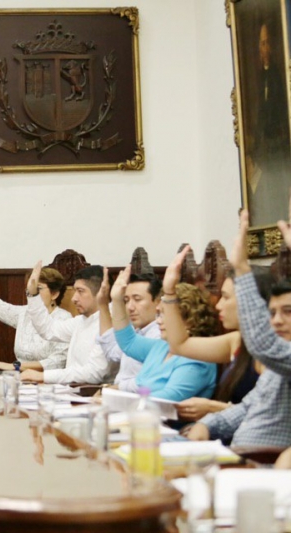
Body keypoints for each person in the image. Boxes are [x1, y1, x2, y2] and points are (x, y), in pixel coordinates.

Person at [186, 210, 291, 447]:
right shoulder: (277, 366)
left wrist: (242, 269)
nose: (275, 321)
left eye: (288, 312)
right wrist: (206, 425)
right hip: (241, 460)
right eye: (272, 313)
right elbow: (247, 408)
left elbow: (263, 346)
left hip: (266, 467)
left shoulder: (280, 354)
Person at [161, 248, 268, 422]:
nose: (218, 305)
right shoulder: (237, 340)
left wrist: (215, 408)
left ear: (250, 300)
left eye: (225, 297)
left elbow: (273, 412)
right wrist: (169, 291)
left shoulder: (277, 351)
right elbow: (179, 345)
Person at [99, 266, 218, 402]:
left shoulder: (198, 358)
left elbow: (165, 400)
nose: (158, 320)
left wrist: (112, 401)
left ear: (189, 320)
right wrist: (117, 300)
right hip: (140, 417)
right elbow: (127, 341)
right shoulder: (162, 347)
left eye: (164, 314)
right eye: (158, 314)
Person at [0, 235, 70, 372]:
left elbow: (57, 362)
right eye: (30, 288)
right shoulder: (24, 313)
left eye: (38, 288)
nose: (31, 293)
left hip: (47, 381)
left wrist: (15, 366)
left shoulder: (65, 319)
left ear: (54, 294)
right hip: (18, 378)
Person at [20, 263, 114, 385]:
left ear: (101, 293)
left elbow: (94, 373)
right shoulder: (82, 320)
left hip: (95, 394)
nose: (73, 298)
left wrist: (43, 376)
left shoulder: (113, 323)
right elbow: (48, 329)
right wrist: (33, 294)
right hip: (72, 391)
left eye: (80, 291)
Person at [245, 22, 291, 227]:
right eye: (260, 44)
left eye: (266, 43)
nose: (263, 48)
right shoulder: (262, 75)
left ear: (271, 46)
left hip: (277, 150)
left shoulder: (276, 76)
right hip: (265, 150)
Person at [97, 273, 162, 392]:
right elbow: (111, 351)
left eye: (137, 299)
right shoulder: (135, 330)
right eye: (126, 300)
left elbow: (153, 382)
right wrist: (102, 304)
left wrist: (114, 389)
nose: (130, 307)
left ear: (158, 302)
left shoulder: (161, 335)